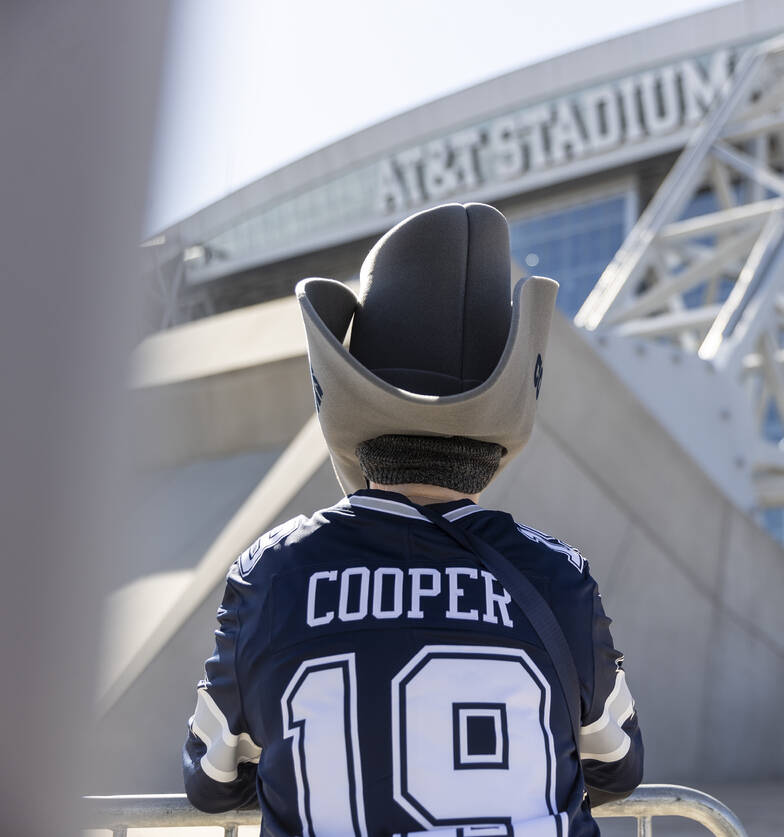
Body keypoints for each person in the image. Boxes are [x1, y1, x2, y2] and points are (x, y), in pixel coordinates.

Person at [180, 203, 644, 836]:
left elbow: (211, 781)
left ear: (351, 414)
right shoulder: (557, 575)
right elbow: (617, 766)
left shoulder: (274, 573)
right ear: (494, 441)